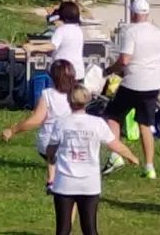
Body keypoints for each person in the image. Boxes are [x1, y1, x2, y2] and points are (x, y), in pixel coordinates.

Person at [46, 85, 138, 235]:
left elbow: (51, 149)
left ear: (69, 101)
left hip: (65, 183)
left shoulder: (61, 123)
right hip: (89, 184)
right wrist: (131, 156)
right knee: (90, 228)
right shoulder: (97, 123)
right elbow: (114, 144)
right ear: (87, 101)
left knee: (63, 229)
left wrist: (51, 157)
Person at [102, 0, 160, 179]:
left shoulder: (130, 32)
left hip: (134, 82)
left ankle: (116, 155)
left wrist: (110, 70)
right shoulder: (157, 32)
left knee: (113, 116)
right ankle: (149, 167)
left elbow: (125, 60)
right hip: (153, 83)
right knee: (145, 124)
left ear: (132, 12)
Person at [1, 57, 75, 192]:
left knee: (53, 152)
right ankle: (58, 181)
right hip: (71, 141)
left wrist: (13, 130)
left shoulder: (48, 95)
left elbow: (36, 119)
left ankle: (52, 181)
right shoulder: (76, 95)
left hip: (48, 143)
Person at [47, 2, 86, 83]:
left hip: (63, 73)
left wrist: (32, 47)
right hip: (78, 73)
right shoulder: (78, 30)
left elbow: (52, 46)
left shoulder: (61, 30)